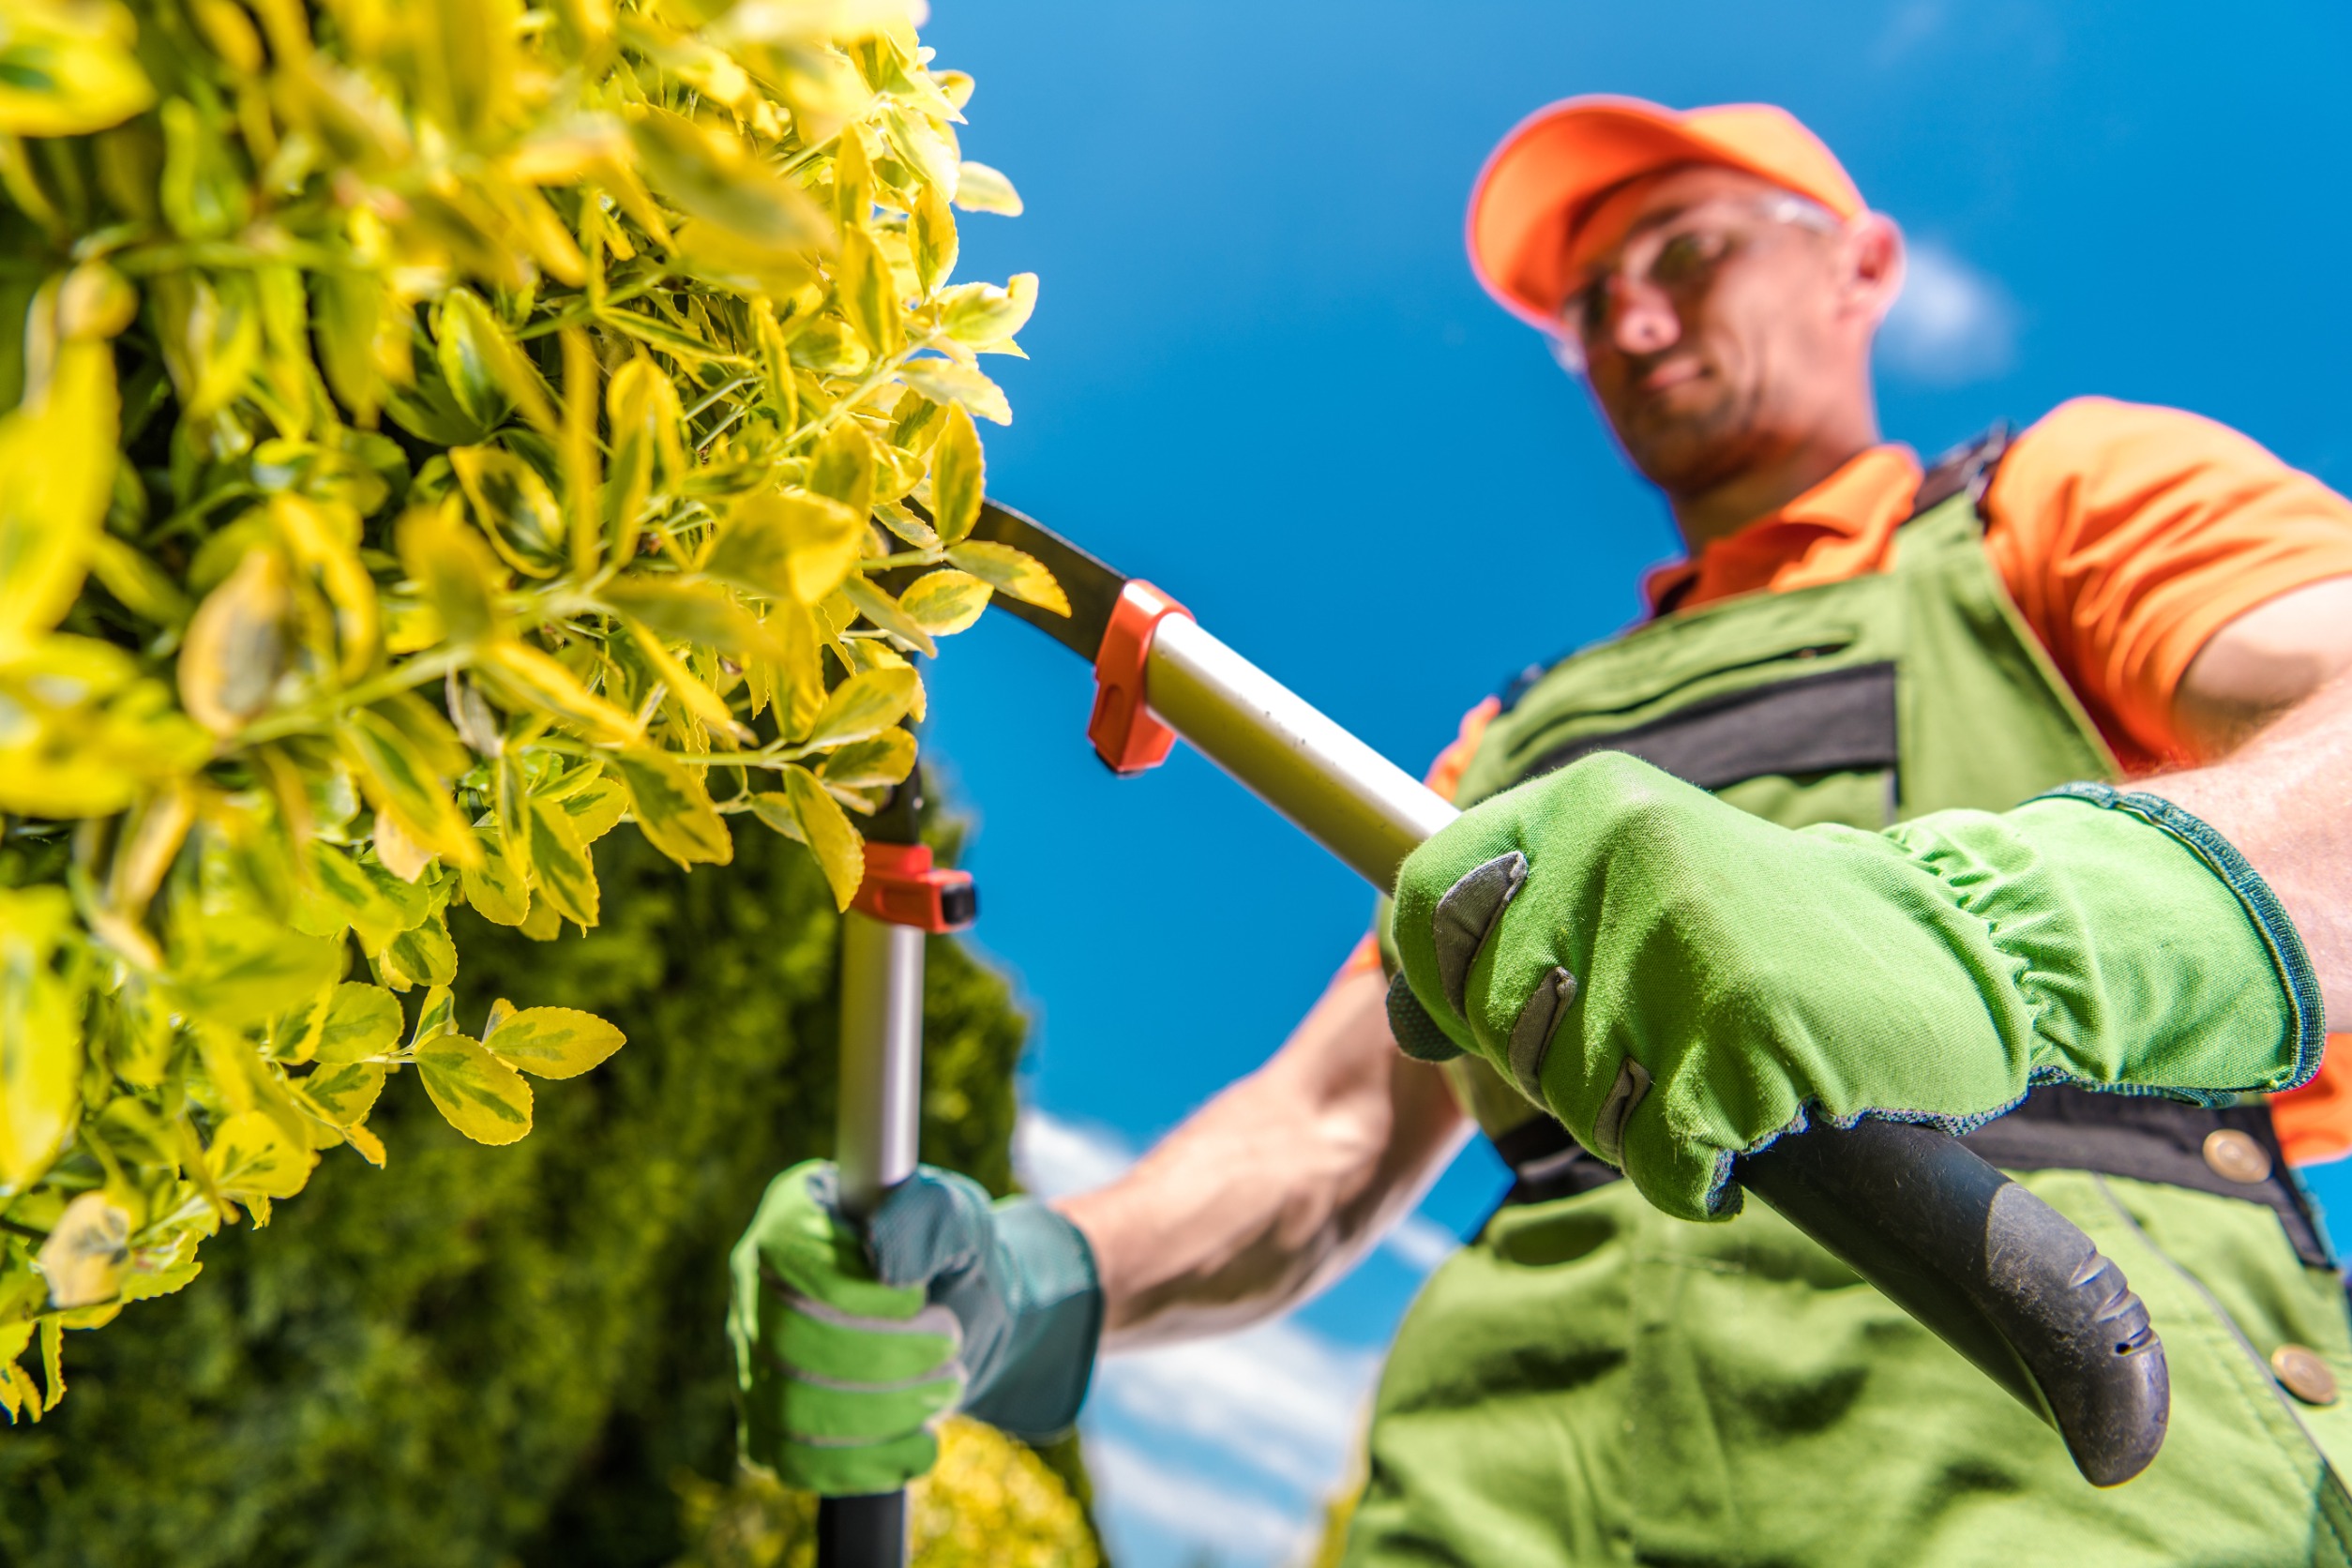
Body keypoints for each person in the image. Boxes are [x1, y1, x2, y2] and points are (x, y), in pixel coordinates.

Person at [728, 98, 2352, 1563]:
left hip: (2041, 1458)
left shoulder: (2050, 507)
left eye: (1689, 253)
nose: (1632, 321)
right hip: (1509, 1488)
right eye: (1587, 312)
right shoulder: (1518, 737)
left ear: (1861, 267)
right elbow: (1329, 1132)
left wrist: (1991, 938)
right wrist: (1030, 1279)